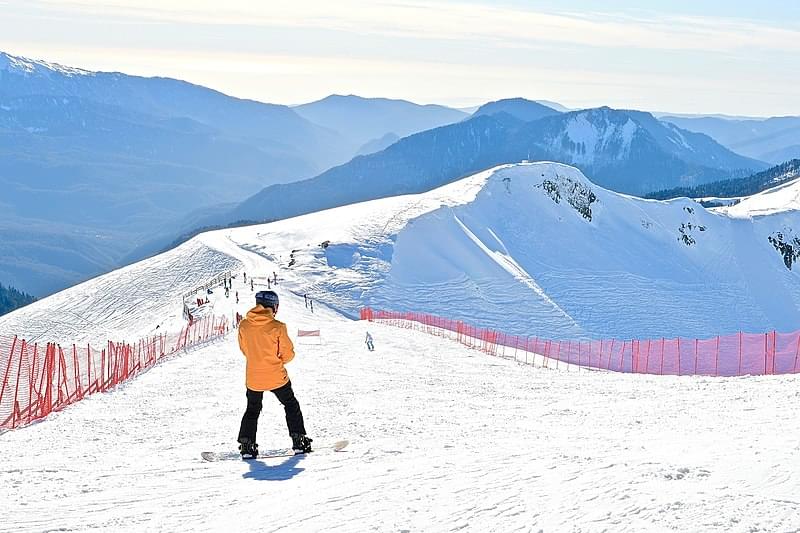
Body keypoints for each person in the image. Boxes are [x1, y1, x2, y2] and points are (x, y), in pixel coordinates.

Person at [236, 290, 312, 458]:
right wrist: (275, 361)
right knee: (291, 405)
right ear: (273, 306)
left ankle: (247, 446)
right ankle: (299, 441)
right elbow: (288, 353)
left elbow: (244, 349)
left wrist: (257, 359)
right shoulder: (277, 327)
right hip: (276, 376)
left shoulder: (244, 325)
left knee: (252, 409)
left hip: (254, 377)